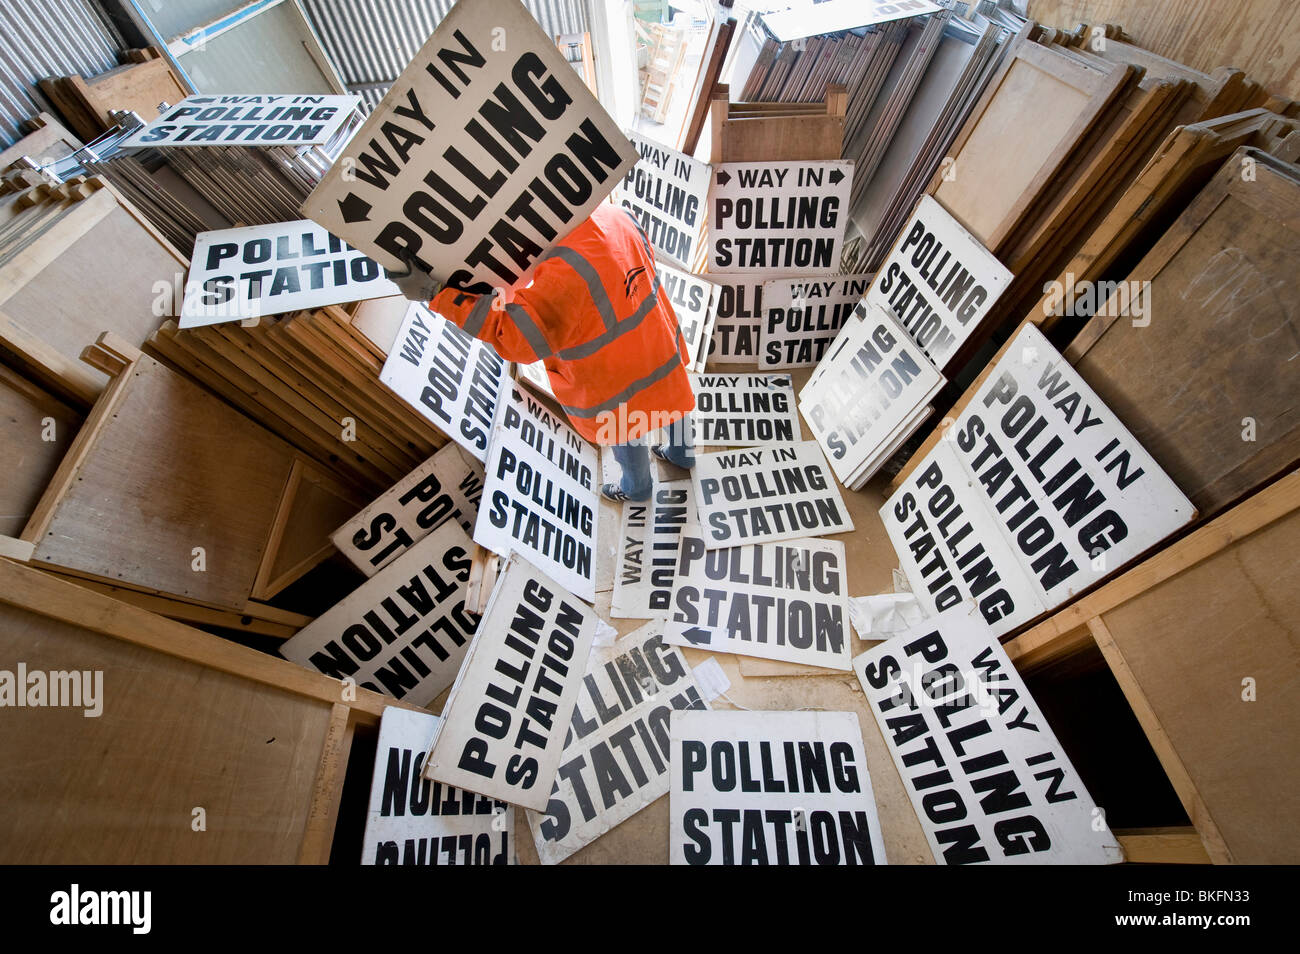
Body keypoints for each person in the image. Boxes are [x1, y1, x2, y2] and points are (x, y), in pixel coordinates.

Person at [389, 203, 695, 501]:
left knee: (625, 426)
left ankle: (638, 488)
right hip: (658, 347)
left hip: (613, 382)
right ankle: (682, 455)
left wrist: (435, 295)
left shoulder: (561, 274)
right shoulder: (616, 215)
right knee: (672, 399)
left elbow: (513, 338)